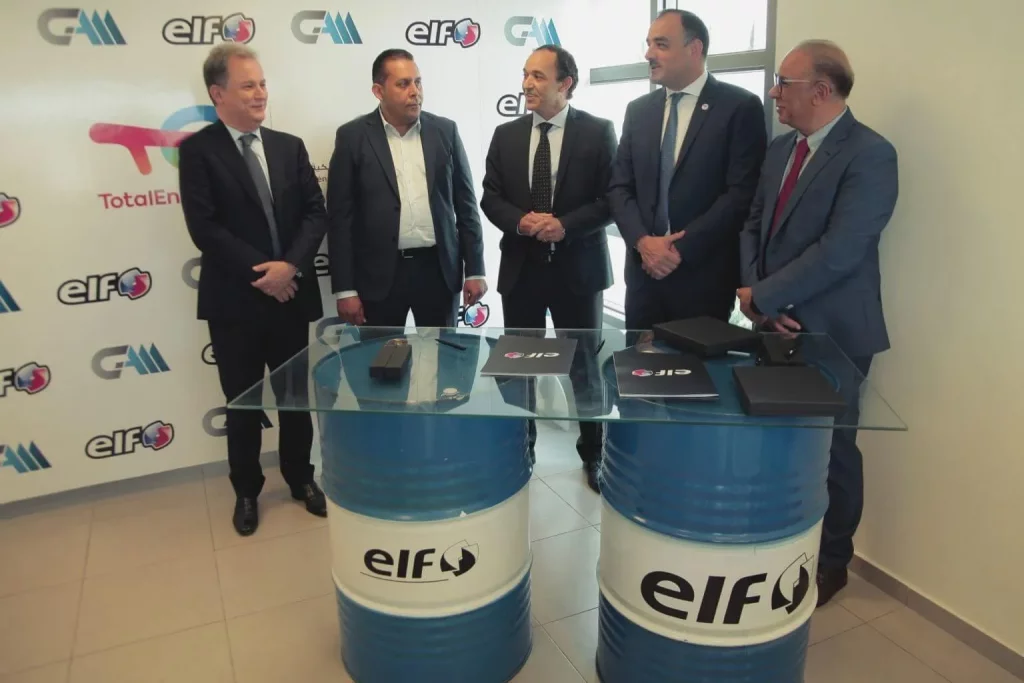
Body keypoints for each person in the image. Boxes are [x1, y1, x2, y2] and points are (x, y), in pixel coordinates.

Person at [737, 40, 899, 606]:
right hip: (771, 324)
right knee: (775, 442)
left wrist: (768, 295)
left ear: (822, 90)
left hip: (834, 332)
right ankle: (779, 541)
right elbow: (753, 224)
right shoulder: (781, 148)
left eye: (784, 83)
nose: (774, 93)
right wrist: (757, 299)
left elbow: (842, 250)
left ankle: (832, 562)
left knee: (834, 451)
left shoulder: (871, 155)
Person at [178, 44, 328, 537]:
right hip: (236, 304)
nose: (261, 93)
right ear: (217, 94)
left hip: (291, 298)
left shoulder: (289, 146)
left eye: (262, 83)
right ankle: (246, 490)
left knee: (295, 400)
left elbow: (315, 213)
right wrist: (266, 275)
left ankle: (301, 478)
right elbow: (205, 228)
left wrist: (290, 268)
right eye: (248, 85)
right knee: (242, 403)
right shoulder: (198, 152)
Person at [481, 45, 616, 493]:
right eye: (525, 75)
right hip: (523, 270)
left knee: (585, 371)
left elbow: (611, 200)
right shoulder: (506, 135)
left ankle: (594, 453)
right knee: (520, 368)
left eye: (538, 76)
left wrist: (565, 225)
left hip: (578, 271)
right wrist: (521, 221)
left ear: (566, 84)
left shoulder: (598, 132)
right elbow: (490, 197)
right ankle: (522, 449)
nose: (527, 84)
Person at [608, 9, 767, 329]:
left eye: (661, 44)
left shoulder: (739, 107)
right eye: (649, 44)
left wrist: (678, 250)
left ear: (694, 49)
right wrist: (643, 242)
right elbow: (619, 187)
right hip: (643, 277)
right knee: (638, 361)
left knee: (697, 363)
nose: (649, 54)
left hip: (702, 280)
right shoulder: (638, 111)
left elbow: (741, 194)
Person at [327, 49, 487, 327]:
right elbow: (340, 219)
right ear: (378, 91)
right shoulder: (352, 137)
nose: (415, 92)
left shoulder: (445, 131)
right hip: (379, 276)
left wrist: (475, 270)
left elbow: (466, 206)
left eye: (418, 82)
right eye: (403, 84)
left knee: (443, 352)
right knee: (381, 354)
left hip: (438, 271)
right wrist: (345, 290)